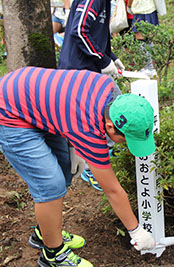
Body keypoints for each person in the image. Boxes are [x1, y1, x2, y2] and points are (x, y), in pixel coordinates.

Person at [0, 67, 156, 267]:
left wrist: (73, 145)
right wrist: (136, 230)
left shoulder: (111, 90)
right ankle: (53, 255)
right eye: (125, 140)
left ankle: (44, 233)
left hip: (34, 99)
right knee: (51, 184)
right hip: (10, 113)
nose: (125, 145)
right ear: (109, 127)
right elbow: (112, 191)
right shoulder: (88, 128)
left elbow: (70, 104)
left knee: (65, 168)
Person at [58, 0, 126, 191]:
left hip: (89, 69)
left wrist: (112, 57)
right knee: (110, 108)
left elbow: (96, 35)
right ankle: (92, 167)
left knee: (113, 106)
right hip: (77, 70)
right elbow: (79, 30)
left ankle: (103, 158)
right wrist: (103, 60)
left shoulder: (103, 2)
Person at [127, 0, 159, 77]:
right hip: (151, 9)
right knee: (149, 39)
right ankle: (151, 67)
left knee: (140, 40)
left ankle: (149, 68)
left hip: (140, 11)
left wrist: (129, 6)